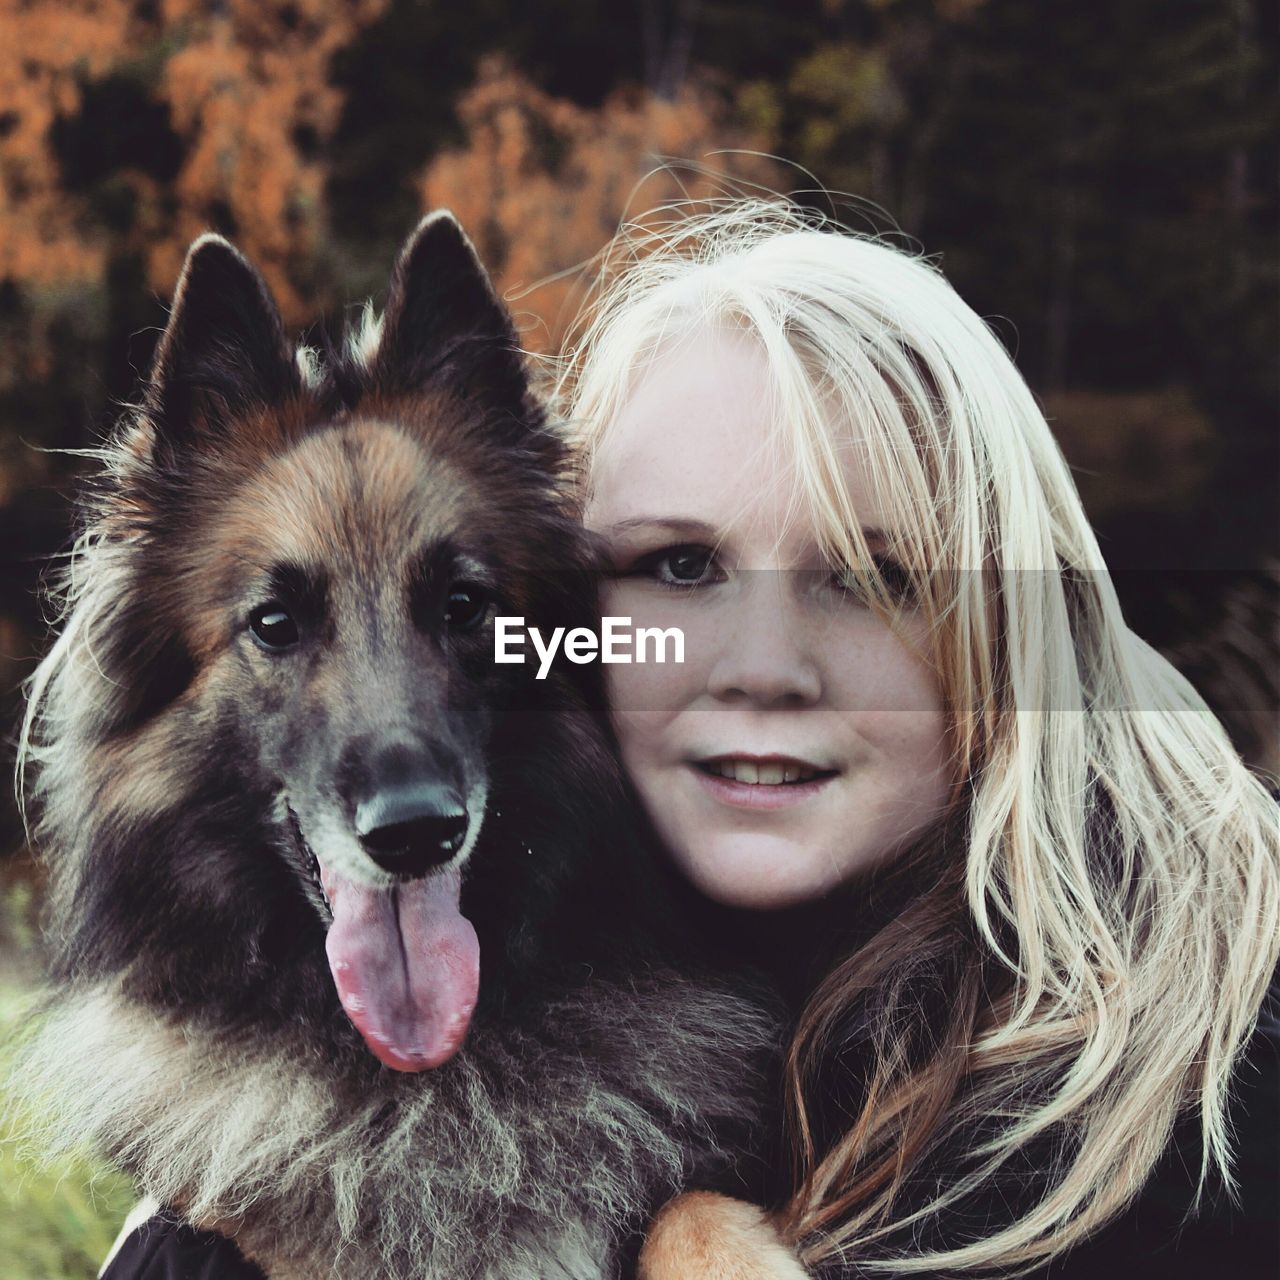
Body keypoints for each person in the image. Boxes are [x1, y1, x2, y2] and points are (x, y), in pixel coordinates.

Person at [556, 198, 1280, 1278]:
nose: (762, 666)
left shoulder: (1214, 1118)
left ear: (1007, 623)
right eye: (677, 564)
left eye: (869, 574)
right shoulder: (415, 988)